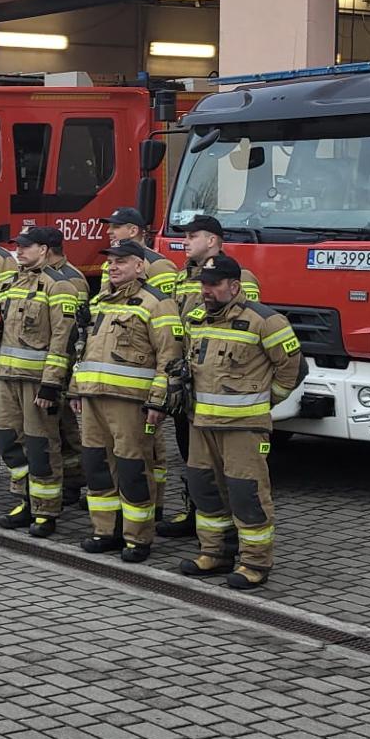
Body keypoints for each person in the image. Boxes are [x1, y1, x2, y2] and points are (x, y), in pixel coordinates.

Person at [177, 255, 301, 589]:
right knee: (205, 490)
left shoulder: (265, 321)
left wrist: (264, 399)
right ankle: (215, 552)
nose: (206, 290)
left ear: (234, 286)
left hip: (243, 427)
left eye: (214, 284)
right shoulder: (196, 318)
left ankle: (255, 562)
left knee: (246, 493)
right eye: (203, 284)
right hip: (201, 424)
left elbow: (292, 369)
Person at [69, 240, 183, 562]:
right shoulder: (100, 301)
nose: (113, 266)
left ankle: (137, 538)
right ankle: (105, 532)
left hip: (131, 404)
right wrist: (76, 388)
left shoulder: (157, 304)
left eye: (121, 261)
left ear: (140, 266)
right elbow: (84, 350)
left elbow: (170, 358)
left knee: (133, 470)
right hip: (93, 400)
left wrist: (159, 403)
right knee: (97, 467)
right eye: (110, 262)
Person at [160, 214, 261, 539]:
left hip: (222, 385)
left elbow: (245, 329)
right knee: (192, 455)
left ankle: (230, 525)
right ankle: (197, 513)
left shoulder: (240, 277)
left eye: (192, 236)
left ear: (213, 241)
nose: (185, 241)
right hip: (190, 381)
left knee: (226, 464)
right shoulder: (182, 277)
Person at [0, 226, 86, 536]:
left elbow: (63, 340)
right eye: (18, 246)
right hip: (6, 379)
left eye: (27, 247)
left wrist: (51, 384)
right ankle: (24, 499)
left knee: (41, 445)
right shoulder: (12, 283)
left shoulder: (60, 287)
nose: (20, 251)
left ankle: (45, 511)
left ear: (44, 250)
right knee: (8, 439)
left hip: (36, 382)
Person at [101, 207, 179, 294]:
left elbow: (165, 304)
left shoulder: (159, 265)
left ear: (133, 231)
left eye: (115, 227)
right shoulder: (109, 263)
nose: (108, 231)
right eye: (109, 227)